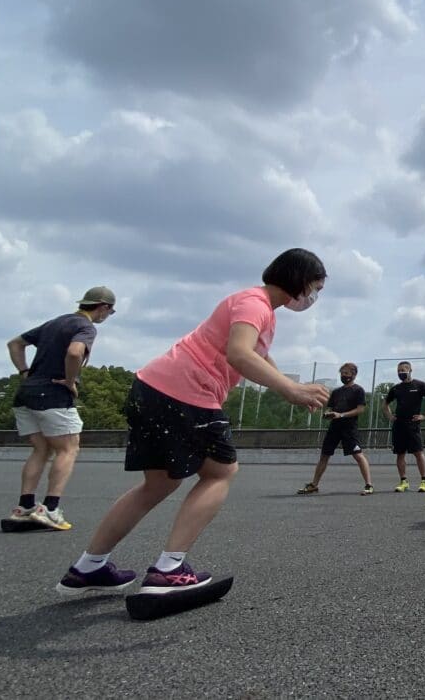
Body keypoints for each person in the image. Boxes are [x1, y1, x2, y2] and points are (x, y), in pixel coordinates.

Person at [55, 249, 330, 596]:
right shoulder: (255, 304)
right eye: (315, 288)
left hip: (152, 388)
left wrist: (297, 386)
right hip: (186, 393)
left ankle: (88, 567)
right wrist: (289, 389)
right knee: (220, 472)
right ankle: (169, 569)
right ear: (298, 279)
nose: (314, 297)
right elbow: (240, 354)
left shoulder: (255, 306)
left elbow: (258, 353)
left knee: (157, 484)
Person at [5, 287, 117, 530]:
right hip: (53, 395)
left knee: (41, 450)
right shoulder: (86, 327)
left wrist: (24, 371)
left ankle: (24, 508)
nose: (106, 317)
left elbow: (14, 343)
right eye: (109, 312)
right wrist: (69, 380)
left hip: (26, 394)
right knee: (68, 449)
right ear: (103, 307)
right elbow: (75, 352)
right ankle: (51, 508)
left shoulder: (54, 322)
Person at [297, 362, 373, 495]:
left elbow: (360, 409)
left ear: (354, 374)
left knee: (358, 455)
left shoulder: (358, 390)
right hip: (334, 428)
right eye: (342, 373)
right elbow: (331, 408)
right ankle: (314, 485)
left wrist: (341, 415)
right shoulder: (337, 392)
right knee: (324, 455)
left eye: (347, 373)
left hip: (349, 429)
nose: (344, 376)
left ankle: (369, 485)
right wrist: (329, 414)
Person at [383, 361, 425, 493]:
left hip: (413, 424)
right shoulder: (396, 388)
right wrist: (390, 417)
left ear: (410, 370)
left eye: (403, 370)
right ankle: (403, 482)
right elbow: (385, 404)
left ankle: (424, 481)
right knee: (400, 454)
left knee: (418, 453)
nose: (401, 372)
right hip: (399, 425)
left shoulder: (420, 385)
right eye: (399, 371)